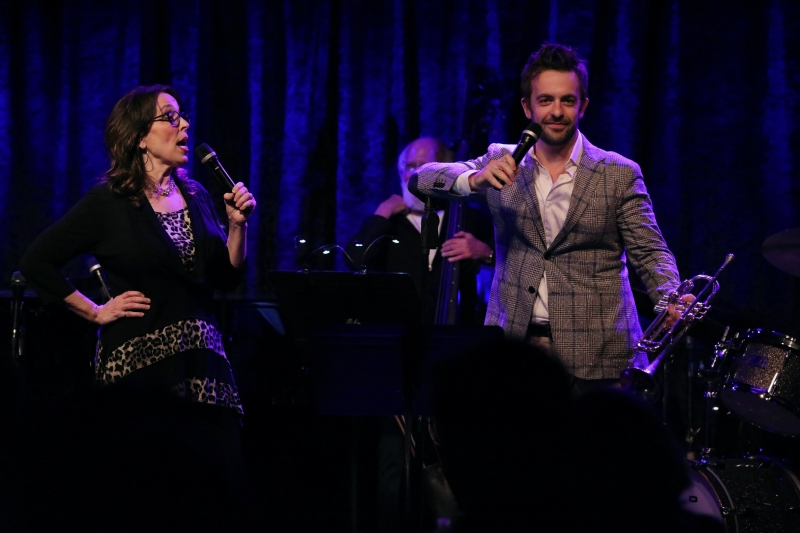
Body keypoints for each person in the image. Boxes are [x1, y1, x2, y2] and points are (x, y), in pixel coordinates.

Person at [18, 85, 257, 527]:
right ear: (140, 137)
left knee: (217, 487)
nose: (183, 125)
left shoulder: (199, 197)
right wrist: (94, 311)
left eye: (182, 117)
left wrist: (237, 227)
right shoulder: (107, 202)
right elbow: (38, 261)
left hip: (205, 367)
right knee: (146, 494)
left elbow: (226, 278)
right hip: (140, 371)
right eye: (170, 117)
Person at [412, 43, 682, 389]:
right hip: (517, 348)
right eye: (546, 100)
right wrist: (474, 179)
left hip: (600, 353)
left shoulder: (618, 172)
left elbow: (650, 251)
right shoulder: (503, 158)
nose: (557, 111)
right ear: (527, 106)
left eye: (567, 100)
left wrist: (671, 296)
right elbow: (422, 178)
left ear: (582, 106)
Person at [345, 136, 494, 326]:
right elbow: (353, 260)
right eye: (410, 167)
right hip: (397, 336)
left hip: (457, 336)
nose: (415, 174)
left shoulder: (467, 217)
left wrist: (485, 252)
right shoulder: (389, 222)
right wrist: (382, 214)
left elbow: (512, 263)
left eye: (424, 166)